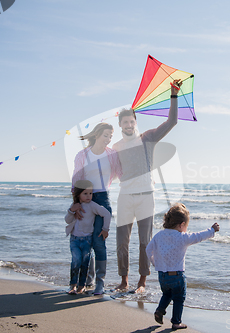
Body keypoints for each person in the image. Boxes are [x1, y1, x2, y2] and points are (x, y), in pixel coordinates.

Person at [112, 79, 182, 292]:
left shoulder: (148, 138)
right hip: (125, 197)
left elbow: (172, 122)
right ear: (120, 125)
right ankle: (124, 281)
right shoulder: (116, 147)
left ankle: (142, 282)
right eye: (125, 122)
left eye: (132, 121)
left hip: (146, 197)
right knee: (122, 242)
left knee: (145, 242)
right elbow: (111, 173)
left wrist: (173, 95)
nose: (129, 125)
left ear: (135, 122)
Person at [146, 203, 220, 330]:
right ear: (181, 225)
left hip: (162, 275)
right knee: (179, 298)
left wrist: (155, 263)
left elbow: (148, 250)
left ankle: (160, 310)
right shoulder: (182, 237)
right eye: (186, 225)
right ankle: (176, 322)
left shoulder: (159, 235)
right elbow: (198, 236)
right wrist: (212, 230)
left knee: (167, 294)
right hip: (177, 276)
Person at [71, 122, 122, 295]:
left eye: (110, 136)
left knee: (99, 242)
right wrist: (76, 202)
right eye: (106, 135)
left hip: (103, 199)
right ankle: (86, 280)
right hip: (85, 198)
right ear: (97, 135)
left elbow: (119, 174)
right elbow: (76, 179)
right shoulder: (83, 155)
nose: (108, 139)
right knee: (86, 241)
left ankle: (100, 282)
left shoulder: (112, 154)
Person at [65, 180, 112, 295]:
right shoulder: (75, 206)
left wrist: (105, 229)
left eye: (90, 193)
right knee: (76, 260)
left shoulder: (92, 206)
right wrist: (72, 210)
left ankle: (82, 286)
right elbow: (67, 220)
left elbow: (106, 214)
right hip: (74, 240)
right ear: (78, 194)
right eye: (85, 193)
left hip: (87, 240)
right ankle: (72, 286)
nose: (89, 196)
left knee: (85, 262)